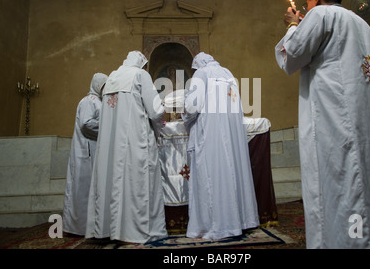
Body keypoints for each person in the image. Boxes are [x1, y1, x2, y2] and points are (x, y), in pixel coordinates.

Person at [275, 0, 370, 248]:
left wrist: (293, 25)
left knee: (342, 179)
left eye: (307, 1)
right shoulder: (360, 22)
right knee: (367, 178)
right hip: (362, 116)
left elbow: (293, 55)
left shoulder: (319, 14)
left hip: (334, 116)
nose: (305, 6)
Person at [85, 51, 167, 244]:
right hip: (135, 141)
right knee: (137, 184)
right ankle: (138, 231)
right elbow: (155, 112)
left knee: (111, 183)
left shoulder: (112, 77)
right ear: (142, 64)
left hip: (110, 146)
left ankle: (110, 229)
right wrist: (159, 129)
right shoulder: (140, 75)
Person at [182, 52, 259, 240]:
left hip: (211, 132)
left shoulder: (202, 74)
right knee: (231, 173)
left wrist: (184, 116)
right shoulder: (228, 73)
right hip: (231, 132)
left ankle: (216, 226)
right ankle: (239, 221)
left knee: (212, 176)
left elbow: (192, 106)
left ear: (198, 65)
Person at [62, 73, 108, 236]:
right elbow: (86, 124)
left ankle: (91, 227)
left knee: (91, 189)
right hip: (85, 151)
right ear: (96, 85)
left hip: (93, 149)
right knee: (82, 190)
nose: (104, 89)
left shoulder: (99, 102)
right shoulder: (88, 101)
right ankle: (77, 228)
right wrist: (107, 128)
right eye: (103, 86)